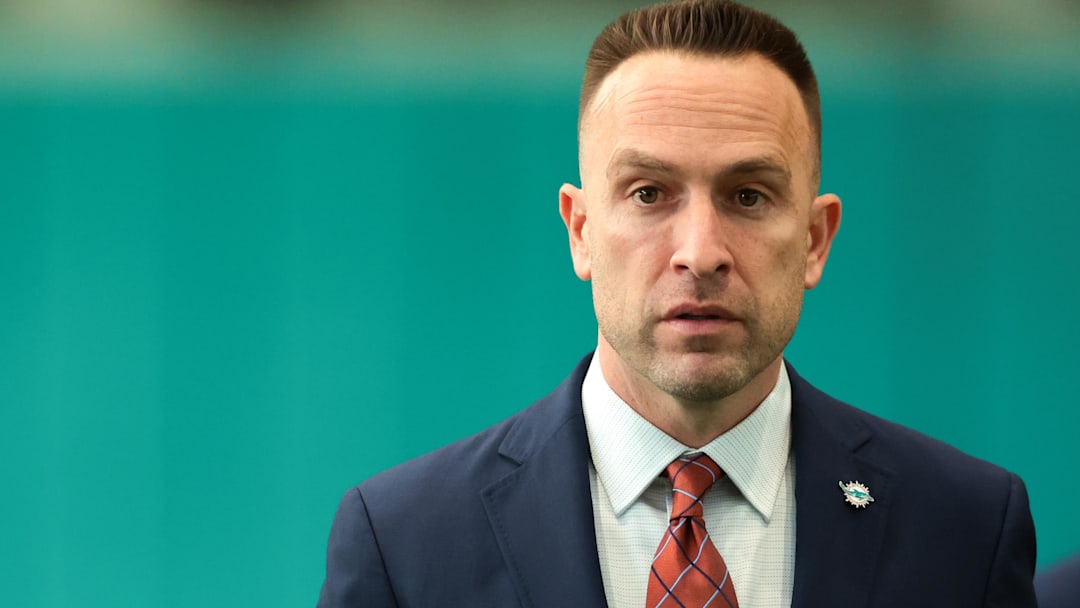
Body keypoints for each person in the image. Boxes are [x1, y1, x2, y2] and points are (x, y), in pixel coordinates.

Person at [317, 1, 1037, 606]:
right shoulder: (404, 544)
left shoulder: (966, 532)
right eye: (649, 193)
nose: (700, 251)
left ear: (815, 240)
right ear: (581, 232)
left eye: (748, 195)